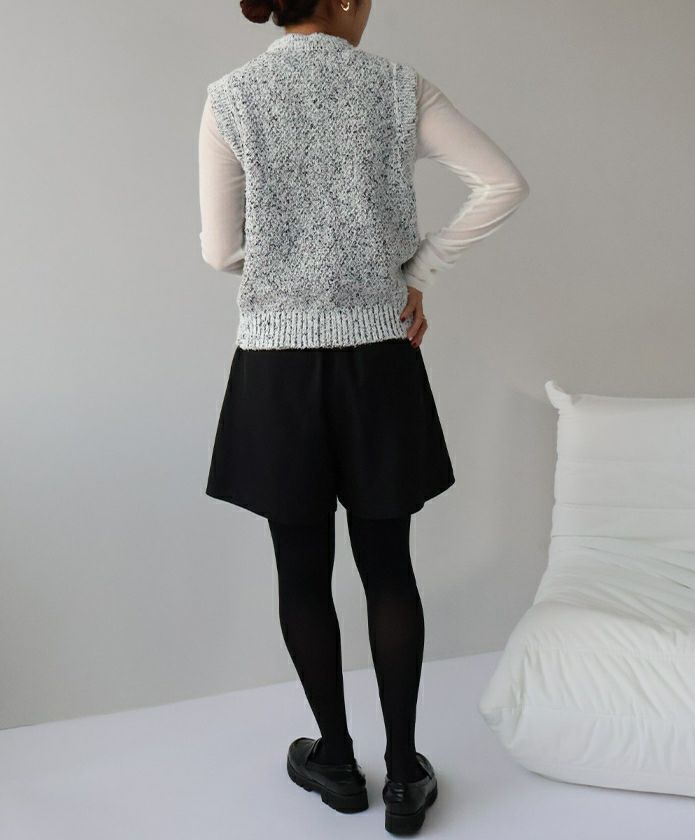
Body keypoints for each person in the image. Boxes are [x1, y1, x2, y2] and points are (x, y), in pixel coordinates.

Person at [198, 0, 529, 833]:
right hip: (379, 360)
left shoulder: (231, 97)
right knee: (389, 568)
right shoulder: (396, 87)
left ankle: (338, 764)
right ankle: (406, 773)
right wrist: (416, 271)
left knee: (300, 571)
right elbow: (503, 183)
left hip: (276, 369)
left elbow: (219, 250)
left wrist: (295, 263)